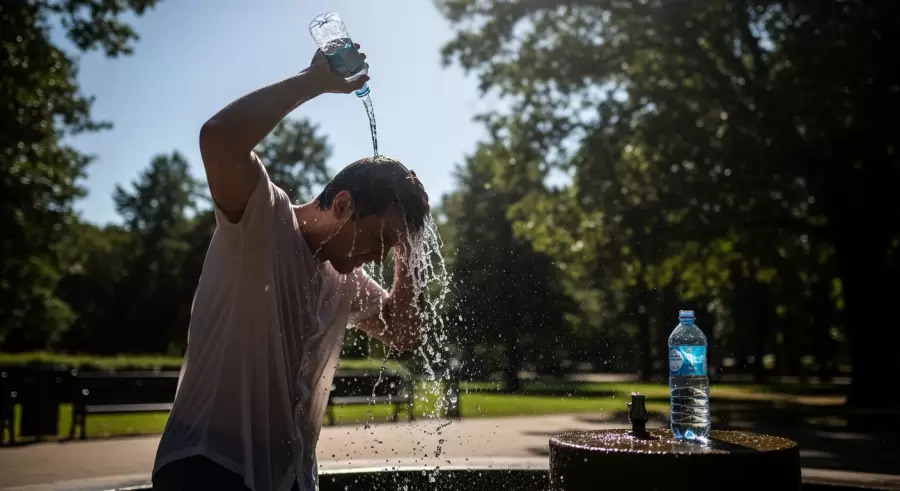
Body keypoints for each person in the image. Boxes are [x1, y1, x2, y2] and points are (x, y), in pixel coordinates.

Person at [151, 45, 430, 491]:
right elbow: (219, 138)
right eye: (380, 239)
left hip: (290, 478)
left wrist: (409, 253)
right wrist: (312, 81)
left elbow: (404, 332)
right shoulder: (263, 219)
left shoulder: (345, 280)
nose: (381, 258)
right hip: (206, 468)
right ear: (343, 205)